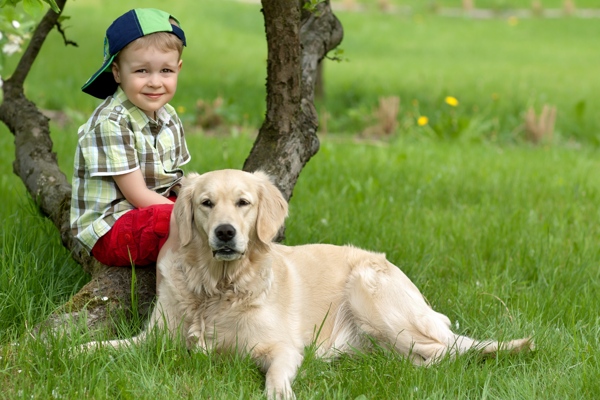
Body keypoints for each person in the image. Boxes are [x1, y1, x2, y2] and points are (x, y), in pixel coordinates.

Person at [70, 8, 190, 291]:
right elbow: (136, 194)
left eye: (166, 70)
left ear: (178, 69)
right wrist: (191, 214)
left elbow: (174, 180)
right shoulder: (111, 122)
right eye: (141, 71)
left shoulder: (168, 114)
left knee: (214, 209)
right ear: (117, 72)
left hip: (145, 208)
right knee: (175, 220)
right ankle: (168, 306)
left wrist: (202, 201)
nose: (155, 82)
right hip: (111, 227)